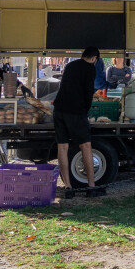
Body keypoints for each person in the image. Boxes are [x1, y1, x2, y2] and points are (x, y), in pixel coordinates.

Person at [51, 46, 106, 191]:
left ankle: (68, 187)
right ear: (94, 58)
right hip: (75, 111)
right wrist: (85, 112)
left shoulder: (70, 65)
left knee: (62, 147)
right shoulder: (90, 69)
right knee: (85, 146)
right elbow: (88, 93)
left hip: (59, 109)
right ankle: (91, 185)